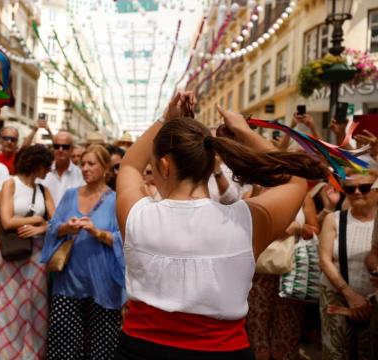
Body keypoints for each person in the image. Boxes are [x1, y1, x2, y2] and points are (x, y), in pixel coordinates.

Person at [114, 92, 328, 359]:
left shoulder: (138, 216)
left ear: (164, 166)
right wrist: (243, 132)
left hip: (140, 350)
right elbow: (294, 179)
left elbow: (131, 166)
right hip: (223, 352)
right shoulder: (244, 222)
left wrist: (166, 119)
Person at [42, 144, 126, 359]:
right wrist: (65, 228)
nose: (85, 168)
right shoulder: (70, 195)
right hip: (69, 281)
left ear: (106, 167)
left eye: (92, 164)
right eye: (83, 164)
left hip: (104, 285)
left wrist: (97, 232)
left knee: (102, 347)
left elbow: (124, 240)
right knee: (64, 345)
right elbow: (53, 227)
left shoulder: (116, 200)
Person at [0, 144, 56, 359]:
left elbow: (55, 221)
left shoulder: (43, 190)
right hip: (13, 253)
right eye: (46, 166)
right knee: (11, 308)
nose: (49, 170)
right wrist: (36, 219)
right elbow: (7, 220)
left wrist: (41, 228)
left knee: (36, 308)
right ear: (36, 164)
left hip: (38, 254)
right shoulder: (11, 183)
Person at [246, 193, 319, 360]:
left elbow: (315, 229)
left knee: (288, 329)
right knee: (257, 326)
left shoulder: (303, 196)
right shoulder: (256, 191)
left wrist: (298, 228)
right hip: (259, 271)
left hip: (291, 272)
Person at [319, 171, 377, 359]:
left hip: (373, 301)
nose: (357, 192)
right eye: (350, 189)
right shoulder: (334, 219)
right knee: (336, 353)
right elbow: (324, 260)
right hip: (337, 295)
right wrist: (350, 295)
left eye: (365, 187)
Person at [39, 131, 85, 206]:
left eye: (65, 147)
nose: (60, 150)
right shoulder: (41, 172)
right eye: (57, 146)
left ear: (71, 149)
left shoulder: (80, 175)